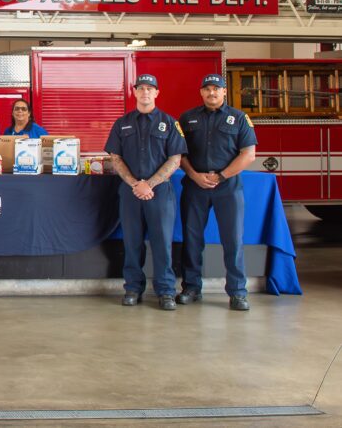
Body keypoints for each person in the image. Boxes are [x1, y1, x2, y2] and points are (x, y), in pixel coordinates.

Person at [105, 73, 188, 311]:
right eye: (140, 88)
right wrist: (134, 183)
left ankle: (166, 291)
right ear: (134, 92)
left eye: (149, 88)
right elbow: (115, 158)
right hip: (131, 192)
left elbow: (175, 159)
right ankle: (132, 288)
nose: (145, 92)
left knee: (162, 242)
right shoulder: (122, 123)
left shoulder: (170, 123)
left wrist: (149, 184)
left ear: (157, 93)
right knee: (132, 243)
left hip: (159, 192)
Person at [178, 73, 258, 311]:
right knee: (192, 240)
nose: (212, 93)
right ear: (201, 92)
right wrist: (194, 175)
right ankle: (191, 288)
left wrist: (222, 176)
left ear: (224, 92)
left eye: (216, 88)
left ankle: (237, 292)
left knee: (232, 240)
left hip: (228, 187)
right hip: (195, 186)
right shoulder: (187, 118)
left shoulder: (240, 118)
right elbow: (178, 153)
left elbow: (248, 154)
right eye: (207, 89)